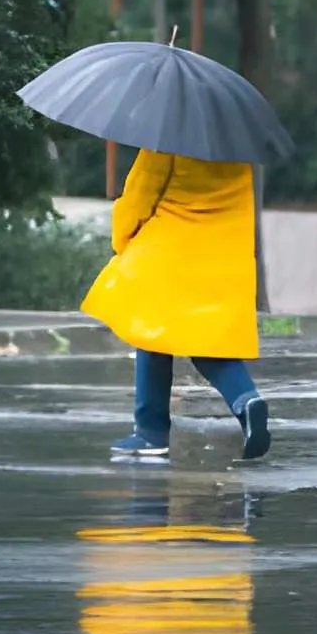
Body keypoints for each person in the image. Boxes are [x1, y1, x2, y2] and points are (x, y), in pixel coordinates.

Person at [81, 148, 271, 461]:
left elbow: (140, 195)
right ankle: (246, 400)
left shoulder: (168, 140)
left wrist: (121, 239)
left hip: (171, 250)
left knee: (150, 334)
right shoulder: (236, 147)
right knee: (208, 345)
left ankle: (150, 432)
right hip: (223, 254)